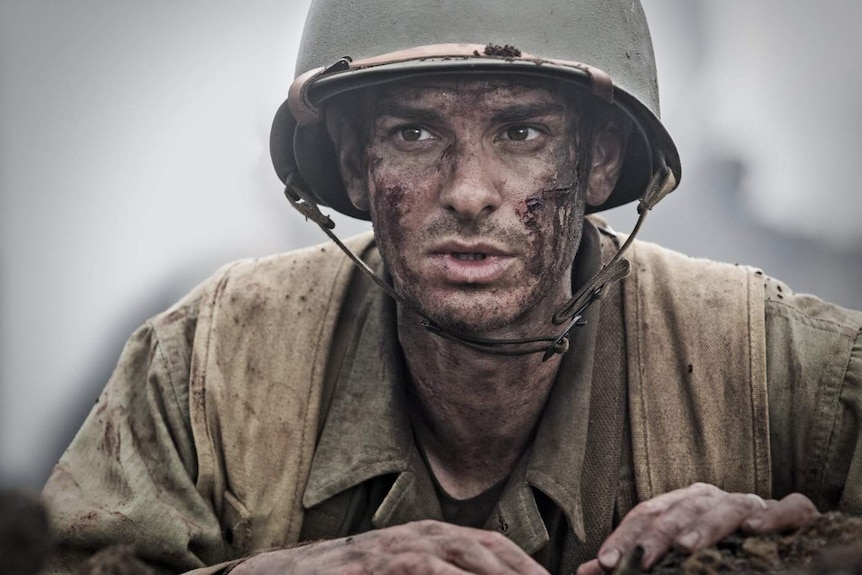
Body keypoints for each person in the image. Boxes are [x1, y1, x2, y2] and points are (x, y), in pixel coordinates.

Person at [42, 0, 861, 574]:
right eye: (415, 130)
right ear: (358, 166)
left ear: (601, 159)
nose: (469, 190)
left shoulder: (783, 368)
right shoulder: (207, 365)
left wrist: (805, 545)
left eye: (522, 130)